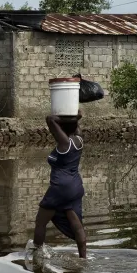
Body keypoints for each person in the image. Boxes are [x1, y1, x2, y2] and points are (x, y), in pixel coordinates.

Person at [32, 109, 87, 260]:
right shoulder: (79, 139)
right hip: (75, 187)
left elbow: (50, 119)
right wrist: (73, 113)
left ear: (61, 128)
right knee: (77, 225)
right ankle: (83, 258)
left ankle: (37, 255)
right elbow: (77, 119)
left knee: (40, 222)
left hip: (60, 188)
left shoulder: (65, 143)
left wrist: (61, 115)